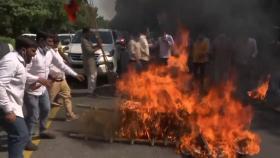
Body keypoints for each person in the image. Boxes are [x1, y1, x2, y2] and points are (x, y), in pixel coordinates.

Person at [24, 31, 84, 150]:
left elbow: (61, 65)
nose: (52, 44)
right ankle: (27, 139)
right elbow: (23, 71)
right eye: (49, 41)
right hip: (30, 89)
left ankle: (42, 130)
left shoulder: (50, 52)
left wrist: (74, 74)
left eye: (52, 41)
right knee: (33, 115)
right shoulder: (32, 54)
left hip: (43, 88)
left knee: (46, 109)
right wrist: (37, 80)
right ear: (41, 41)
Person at [0, 37, 37, 158]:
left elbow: (17, 79)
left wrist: (30, 86)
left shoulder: (19, 61)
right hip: (6, 105)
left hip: (13, 104)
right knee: (20, 135)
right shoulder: (11, 61)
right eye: (32, 51)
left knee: (19, 135)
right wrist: (8, 110)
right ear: (23, 50)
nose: (34, 54)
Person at [48, 35, 79, 121]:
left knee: (67, 96)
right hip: (53, 81)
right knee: (47, 102)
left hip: (62, 79)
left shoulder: (57, 51)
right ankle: (37, 119)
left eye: (57, 43)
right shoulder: (49, 53)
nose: (57, 44)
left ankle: (69, 115)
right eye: (55, 43)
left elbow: (61, 63)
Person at [81, 28, 100, 94]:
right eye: (89, 33)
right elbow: (90, 51)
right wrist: (98, 47)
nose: (90, 34)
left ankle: (93, 90)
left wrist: (98, 44)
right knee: (91, 76)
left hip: (92, 60)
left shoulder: (88, 40)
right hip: (88, 61)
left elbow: (92, 47)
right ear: (85, 33)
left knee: (94, 75)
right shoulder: (84, 41)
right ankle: (90, 91)